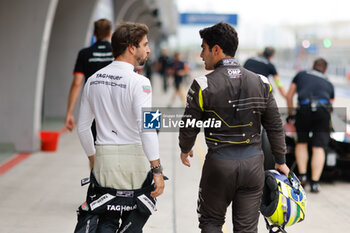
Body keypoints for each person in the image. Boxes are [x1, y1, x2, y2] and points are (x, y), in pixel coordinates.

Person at [178, 22, 289, 233]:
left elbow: (188, 125)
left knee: (211, 222)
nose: (202, 55)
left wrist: (185, 148)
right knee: (247, 229)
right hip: (253, 166)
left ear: (217, 50)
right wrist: (281, 160)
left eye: (204, 48)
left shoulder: (203, 85)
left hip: (219, 165)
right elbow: (275, 126)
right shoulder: (261, 82)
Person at [76, 22, 165, 232]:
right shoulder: (141, 82)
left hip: (103, 157)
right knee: (134, 220)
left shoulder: (93, 80)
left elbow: (82, 128)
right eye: (145, 44)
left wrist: (92, 158)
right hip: (134, 160)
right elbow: (147, 129)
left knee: (106, 219)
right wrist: (157, 169)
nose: (149, 49)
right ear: (131, 48)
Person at [286, 58, 334, 193]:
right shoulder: (328, 82)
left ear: (313, 66)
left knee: (302, 143)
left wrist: (291, 114)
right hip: (323, 110)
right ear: (325, 69)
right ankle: (315, 183)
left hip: (305, 108)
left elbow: (290, 95)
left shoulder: (301, 74)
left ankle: (302, 176)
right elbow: (331, 104)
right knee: (319, 147)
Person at [65, 18, 114, 143]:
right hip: (114, 107)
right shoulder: (117, 53)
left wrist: (69, 112)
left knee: (94, 148)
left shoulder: (84, 54)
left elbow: (77, 82)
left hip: (93, 107)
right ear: (110, 33)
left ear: (94, 33)